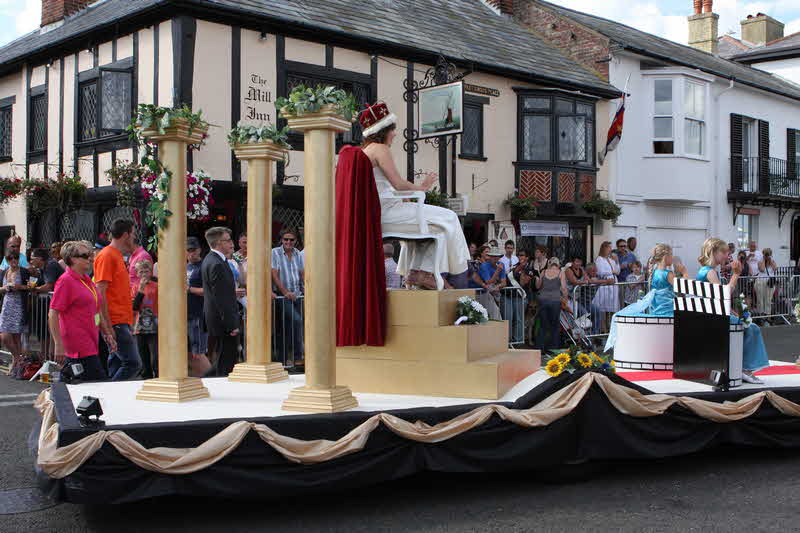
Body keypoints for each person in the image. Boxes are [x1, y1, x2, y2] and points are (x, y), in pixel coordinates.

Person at [359, 101, 470, 289]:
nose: (395, 134)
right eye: (393, 129)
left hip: (382, 211)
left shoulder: (364, 151)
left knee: (436, 230)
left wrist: (403, 195)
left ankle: (418, 273)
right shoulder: (380, 148)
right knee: (449, 217)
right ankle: (432, 273)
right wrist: (422, 187)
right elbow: (399, 183)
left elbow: (383, 188)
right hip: (389, 212)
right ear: (383, 129)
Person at [698, 238, 769, 384]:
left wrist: (730, 310)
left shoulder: (705, 271)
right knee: (752, 328)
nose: (726, 255)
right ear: (713, 252)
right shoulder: (710, 272)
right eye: (723, 252)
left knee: (747, 325)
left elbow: (715, 298)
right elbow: (723, 295)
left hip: (708, 316)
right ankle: (745, 368)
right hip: (714, 318)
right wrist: (736, 274)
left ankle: (742, 366)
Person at [48, 241, 114, 381]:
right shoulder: (66, 281)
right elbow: (53, 313)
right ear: (72, 259)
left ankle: (57, 398)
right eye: (85, 255)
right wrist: (58, 344)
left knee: (80, 386)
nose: (90, 258)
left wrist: (106, 332)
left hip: (91, 341)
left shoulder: (87, 280)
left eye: (90, 254)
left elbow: (96, 311)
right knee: (98, 383)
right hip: (77, 345)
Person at [604, 244, 686, 352]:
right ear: (666, 256)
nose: (672, 258)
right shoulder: (668, 273)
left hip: (657, 310)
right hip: (668, 310)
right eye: (671, 255)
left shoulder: (655, 272)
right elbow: (683, 289)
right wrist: (684, 272)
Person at [94, 219, 141, 381]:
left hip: (120, 320)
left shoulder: (115, 255)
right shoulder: (108, 255)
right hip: (116, 321)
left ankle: (105, 398)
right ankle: (109, 395)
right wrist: (107, 326)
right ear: (126, 235)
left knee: (117, 363)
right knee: (132, 363)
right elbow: (100, 292)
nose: (134, 237)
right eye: (133, 233)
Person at [202, 227, 240, 376]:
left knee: (223, 359)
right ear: (218, 243)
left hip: (218, 320)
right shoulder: (216, 263)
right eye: (228, 240)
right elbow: (222, 298)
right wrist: (232, 325)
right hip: (222, 322)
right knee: (226, 361)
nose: (232, 243)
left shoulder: (213, 260)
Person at [272, 228, 304, 365]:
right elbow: (274, 275)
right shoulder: (275, 252)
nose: (288, 242)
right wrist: (285, 292)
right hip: (282, 295)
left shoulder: (297, 253)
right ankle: (297, 357)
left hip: (297, 294)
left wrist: (306, 288)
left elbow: (302, 273)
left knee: (289, 327)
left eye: (291, 240)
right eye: (286, 239)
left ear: (296, 241)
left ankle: (284, 359)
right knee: (296, 321)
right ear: (281, 240)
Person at [0, 252, 30, 375]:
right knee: (4, 335)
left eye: (16, 258)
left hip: (18, 305)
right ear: (7, 260)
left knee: (17, 337)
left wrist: (19, 286)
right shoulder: (5, 271)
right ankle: (18, 358)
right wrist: (5, 287)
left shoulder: (23, 271)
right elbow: (0, 288)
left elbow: (30, 286)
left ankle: (16, 366)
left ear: (19, 259)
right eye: (10, 258)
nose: (13, 260)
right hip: (7, 305)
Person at [131, 259, 158, 379]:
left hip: (155, 325)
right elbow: (134, 306)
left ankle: (158, 378)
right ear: (137, 273)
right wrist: (140, 290)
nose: (144, 274)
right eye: (141, 272)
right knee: (144, 358)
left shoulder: (157, 286)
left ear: (150, 272)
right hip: (139, 326)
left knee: (155, 358)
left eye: (146, 271)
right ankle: (146, 379)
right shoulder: (135, 287)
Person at [535, 257, 568, 353]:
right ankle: (553, 349)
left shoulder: (543, 272)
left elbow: (538, 286)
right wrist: (565, 299)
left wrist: (537, 279)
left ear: (549, 264)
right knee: (554, 325)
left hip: (543, 300)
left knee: (543, 325)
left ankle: (540, 348)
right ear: (558, 264)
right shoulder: (560, 273)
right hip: (555, 301)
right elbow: (564, 288)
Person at [755, 248, 777, 317]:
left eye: (769, 254)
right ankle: (760, 315)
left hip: (770, 282)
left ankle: (767, 315)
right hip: (760, 281)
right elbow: (762, 269)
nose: (767, 256)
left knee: (768, 299)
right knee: (760, 299)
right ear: (763, 254)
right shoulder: (760, 261)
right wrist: (764, 260)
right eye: (766, 254)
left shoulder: (772, 261)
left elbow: (775, 269)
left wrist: (770, 261)